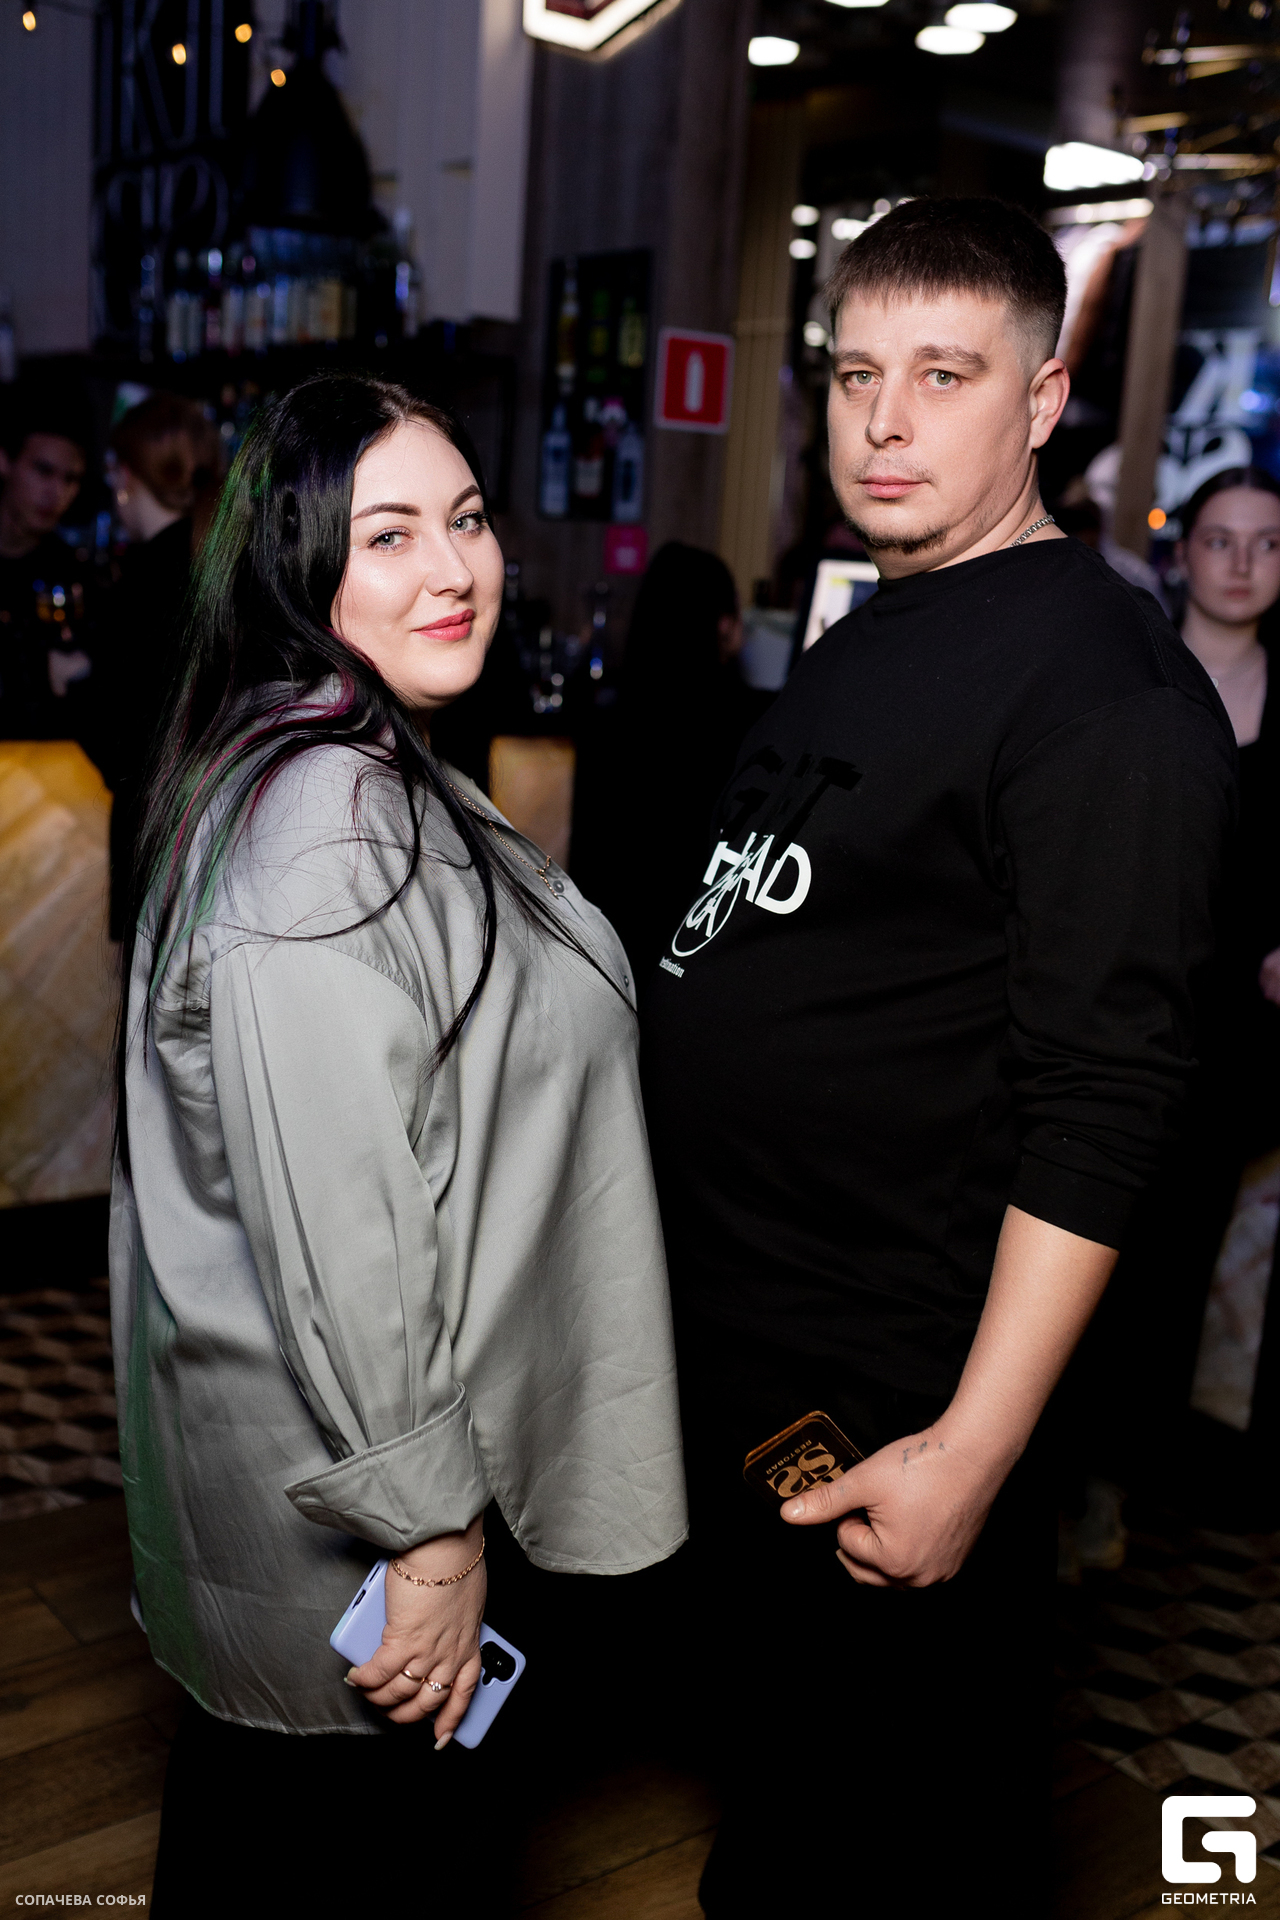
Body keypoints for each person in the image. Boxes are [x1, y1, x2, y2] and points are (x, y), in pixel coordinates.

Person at [640, 197, 1235, 1916]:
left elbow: (1109, 1101)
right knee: (788, 1832)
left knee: (901, 1850)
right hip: (757, 1378)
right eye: (855, 375)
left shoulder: (1102, 688)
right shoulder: (874, 627)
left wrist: (971, 1451)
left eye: (945, 375)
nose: (884, 421)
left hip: (896, 1408)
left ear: (1043, 399)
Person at [111, 373, 686, 1915]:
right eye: (389, 535)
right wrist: (433, 1542)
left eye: (469, 519)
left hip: (362, 1482)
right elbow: (347, 1242)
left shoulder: (366, 762)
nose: (454, 568)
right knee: (339, 1856)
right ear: (298, 574)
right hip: (363, 1516)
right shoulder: (327, 833)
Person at [1082, 466, 1280, 1510]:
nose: (1242, 564)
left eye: (1268, 543)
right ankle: (1061, 1469)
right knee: (1084, 1234)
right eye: (1220, 540)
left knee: (1179, 1252)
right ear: (1182, 553)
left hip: (1239, 1030)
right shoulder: (1133, 674)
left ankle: (1128, 1478)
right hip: (1118, 1008)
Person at [570, 541, 765, 977]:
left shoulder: (603, 725)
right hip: (706, 961)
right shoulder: (755, 726)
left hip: (611, 959)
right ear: (725, 624)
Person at [88, 391, 222, 938]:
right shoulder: (220, 562)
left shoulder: (140, 583)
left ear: (123, 475)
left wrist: (74, 688)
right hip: (221, 846)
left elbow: (123, 747)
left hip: (159, 847)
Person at [0, 386, 94, 736]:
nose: (56, 493)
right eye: (43, 471)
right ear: (5, 462)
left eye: (71, 479)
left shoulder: (75, 576)